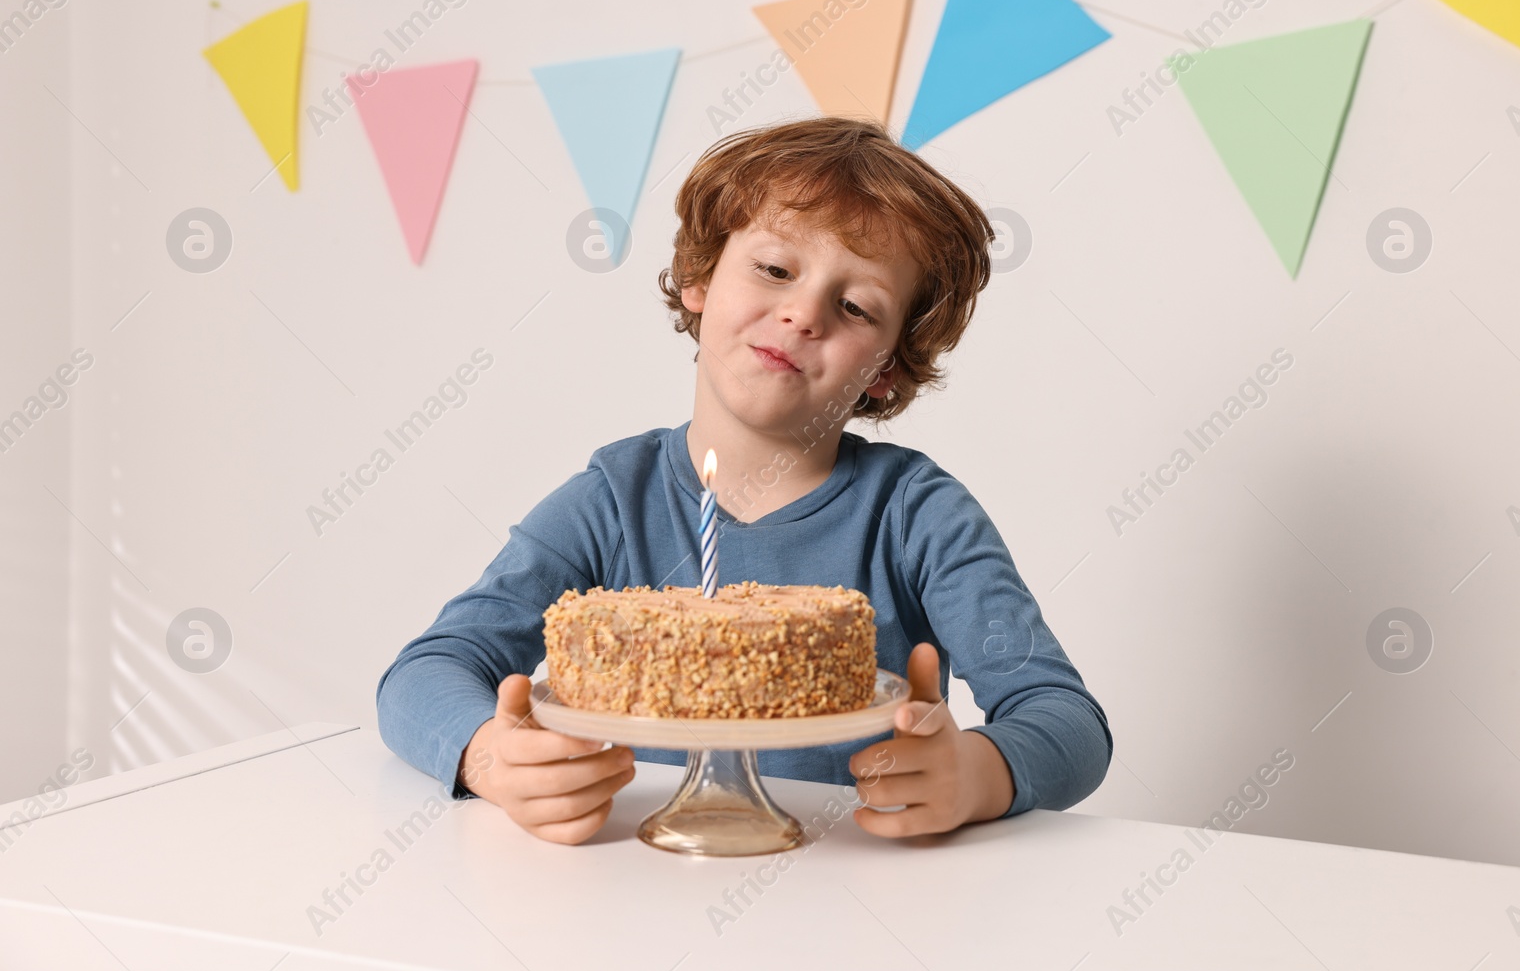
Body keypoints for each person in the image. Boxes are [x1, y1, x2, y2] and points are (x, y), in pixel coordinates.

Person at [376, 116, 1112, 845]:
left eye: (855, 306)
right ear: (700, 278)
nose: (802, 313)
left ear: (886, 368)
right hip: (630, 891)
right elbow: (427, 671)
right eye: (775, 269)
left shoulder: (917, 515)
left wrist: (978, 773)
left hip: (852, 897)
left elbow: (1064, 718)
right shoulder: (612, 500)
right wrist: (492, 755)